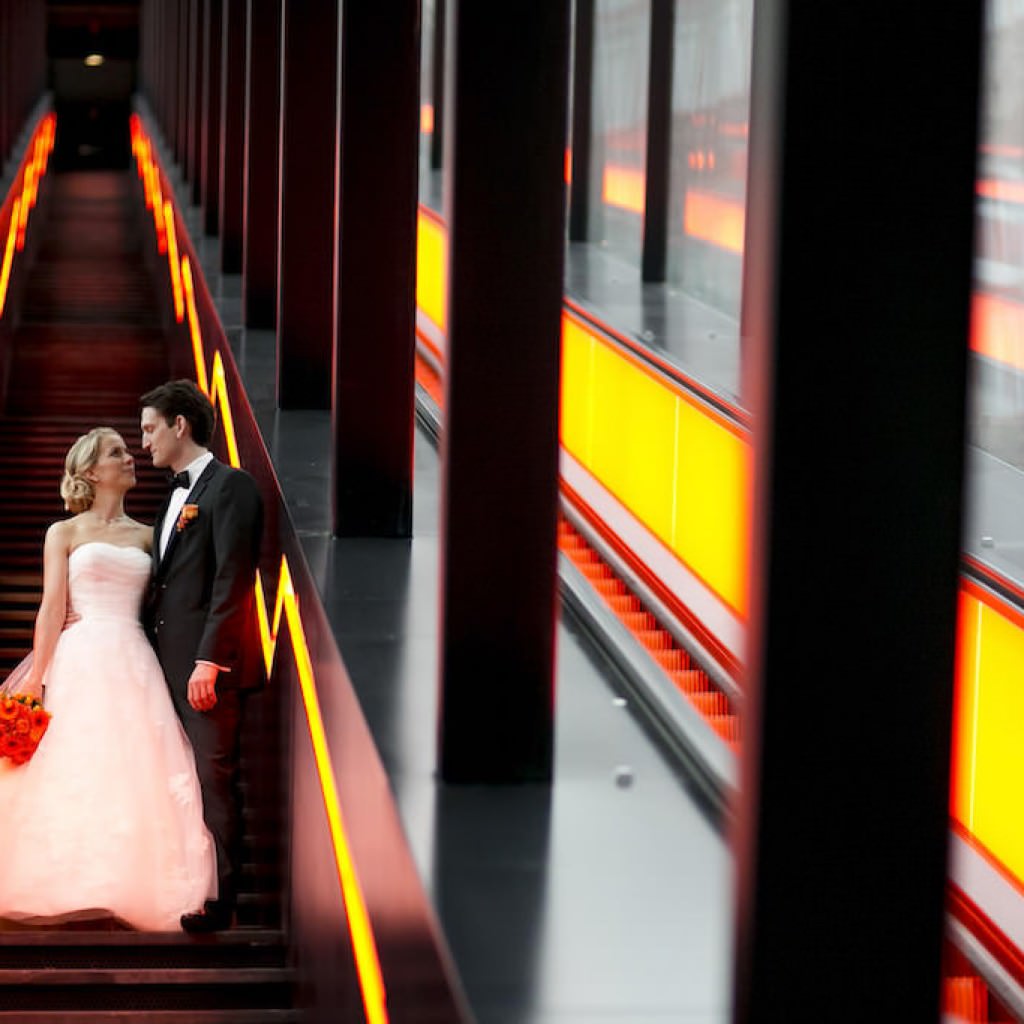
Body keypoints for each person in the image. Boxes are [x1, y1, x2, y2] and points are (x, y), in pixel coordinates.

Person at [0, 428, 216, 930]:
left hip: (133, 656)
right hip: (79, 652)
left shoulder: (149, 534)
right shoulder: (65, 532)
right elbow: (52, 606)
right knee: (72, 762)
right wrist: (37, 675)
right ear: (93, 471)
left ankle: (124, 878)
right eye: (117, 452)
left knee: (132, 763)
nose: (130, 457)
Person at [140, 380, 264, 933]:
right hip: (161, 666)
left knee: (213, 777)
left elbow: (232, 577)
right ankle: (184, 885)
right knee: (177, 779)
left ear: (179, 425)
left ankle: (222, 900)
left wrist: (210, 660)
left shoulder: (229, 487)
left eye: (149, 429)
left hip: (203, 669)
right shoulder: (173, 496)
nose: (144, 443)